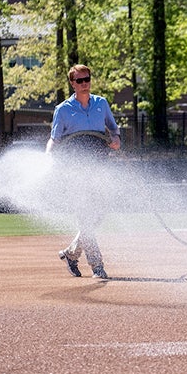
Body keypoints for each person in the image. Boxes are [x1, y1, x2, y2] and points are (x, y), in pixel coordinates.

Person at [46, 64, 121, 279]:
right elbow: (55, 139)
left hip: (99, 169)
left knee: (97, 216)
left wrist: (116, 139)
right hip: (75, 173)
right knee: (86, 219)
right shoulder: (63, 109)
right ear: (72, 83)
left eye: (87, 79)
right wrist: (48, 158)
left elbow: (114, 130)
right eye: (79, 81)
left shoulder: (101, 104)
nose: (84, 84)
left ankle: (71, 254)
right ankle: (98, 267)